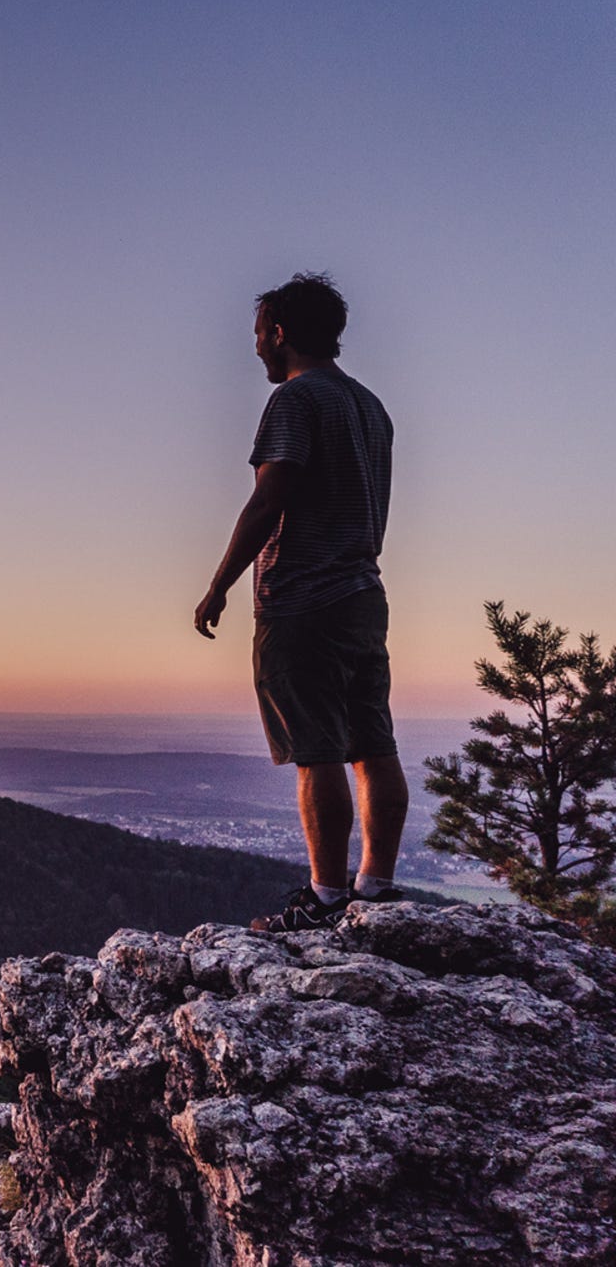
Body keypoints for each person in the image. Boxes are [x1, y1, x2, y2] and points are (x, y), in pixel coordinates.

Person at [194, 272, 409, 932]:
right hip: (363, 595)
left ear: (280, 332)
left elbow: (269, 497)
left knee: (315, 748)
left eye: (260, 333)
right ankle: (374, 890)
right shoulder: (371, 406)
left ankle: (324, 900)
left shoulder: (296, 401)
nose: (256, 346)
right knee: (373, 743)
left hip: (304, 600)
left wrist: (219, 584)